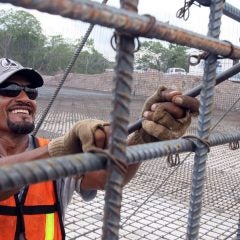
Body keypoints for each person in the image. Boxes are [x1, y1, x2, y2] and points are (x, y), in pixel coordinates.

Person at [0, 58, 199, 239]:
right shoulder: (52, 151)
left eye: (31, 91)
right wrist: (59, 149)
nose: (25, 97)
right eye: (9, 89)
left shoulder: (45, 148)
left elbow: (107, 177)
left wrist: (143, 138)